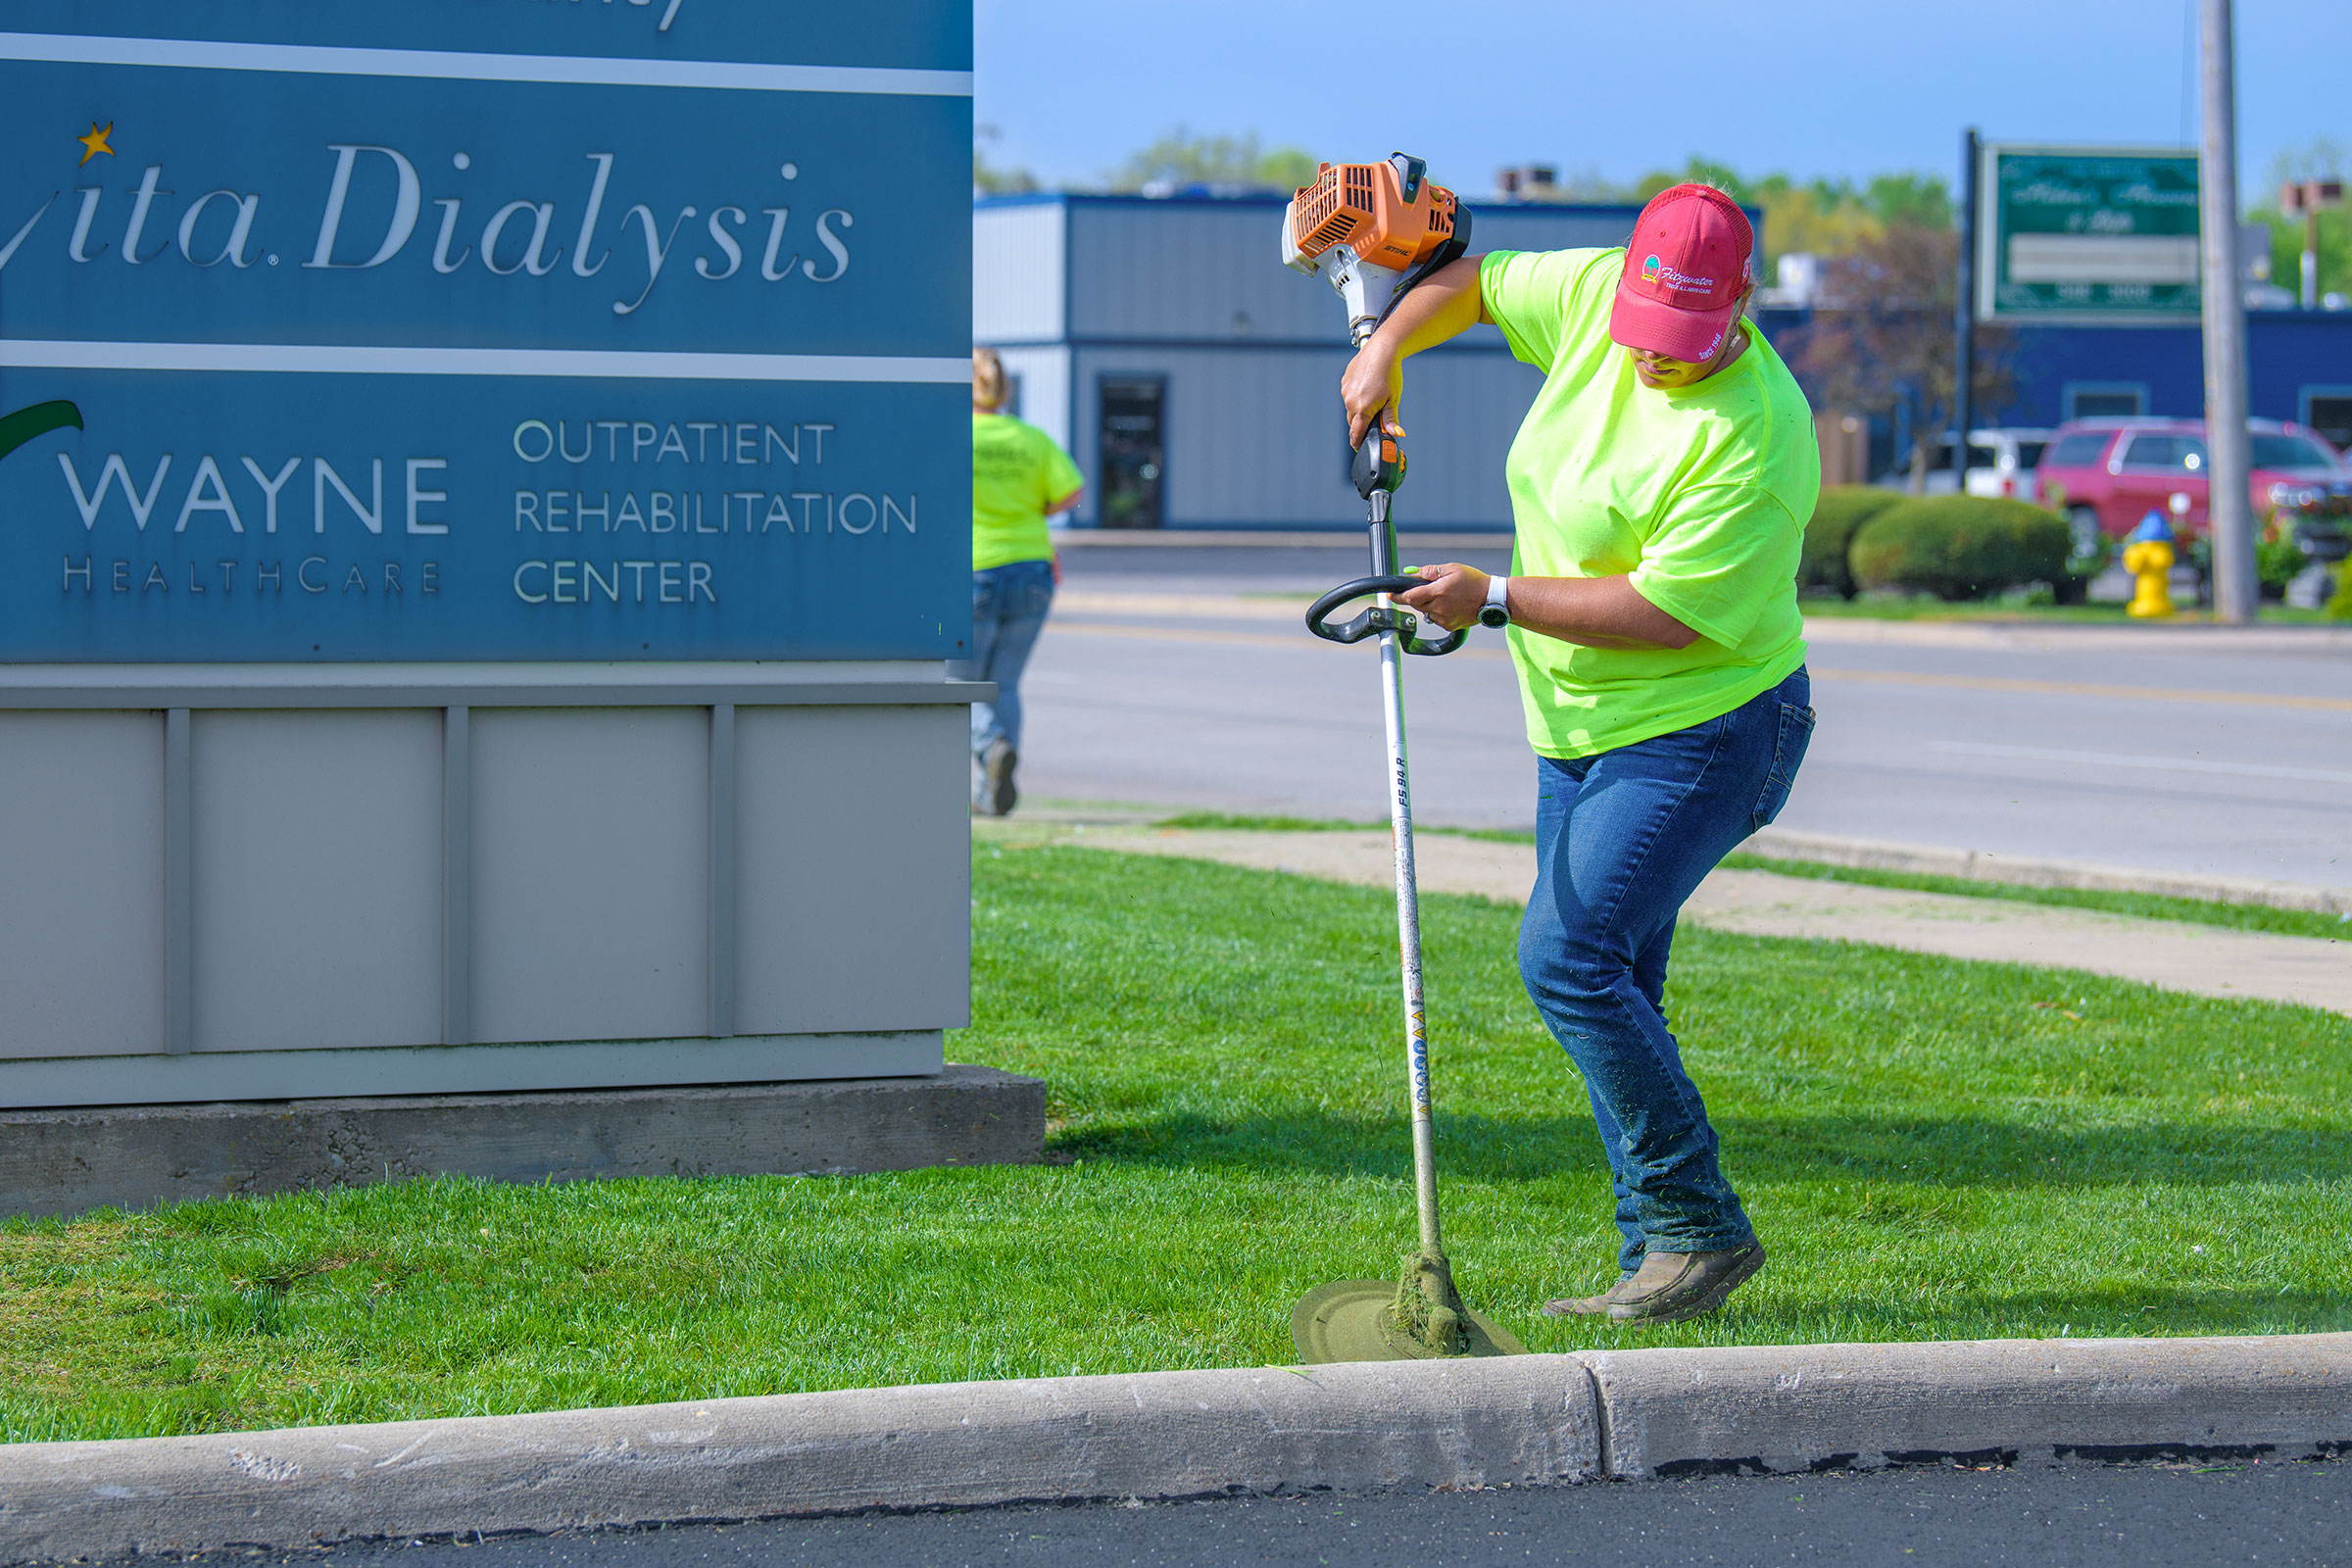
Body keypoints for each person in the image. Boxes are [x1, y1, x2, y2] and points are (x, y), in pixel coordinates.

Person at [1340, 184, 1818, 1325]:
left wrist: (1494, 596)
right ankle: (1655, 1259)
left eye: (1683, 346)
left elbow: (1665, 612)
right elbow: (1476, 281)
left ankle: (1698, 1227)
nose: (1653, 364)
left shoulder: (1755, 435)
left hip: (1709, 727)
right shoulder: (1604, 285)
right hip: (1581, 726)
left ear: (1741, 306)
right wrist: (1388, 350)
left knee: (1567, 958)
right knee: (1618, 981)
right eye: (1642, 338)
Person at [958, 348, 1083, 816]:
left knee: (958, 685)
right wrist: (1030, 510)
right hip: (1033, 565)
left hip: (971, 567)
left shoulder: (951, 435)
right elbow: (1070, 492)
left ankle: (991, 749)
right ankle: (994, 790)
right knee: (1004, 684)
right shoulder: (1030, 437)